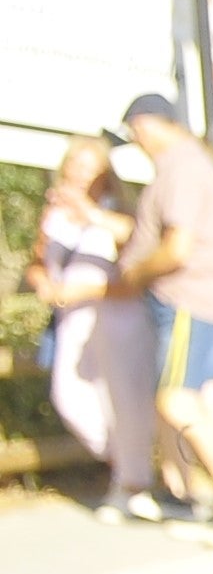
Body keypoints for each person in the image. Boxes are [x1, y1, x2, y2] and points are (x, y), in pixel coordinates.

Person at [111, 92, 213, 515]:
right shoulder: (193, 164)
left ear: (145, 124)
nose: (137, 143)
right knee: (210, 400)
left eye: (134, 133)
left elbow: (176, 248)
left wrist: (134, 273)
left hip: (184, 300)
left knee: (175, 400)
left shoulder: (180, 167)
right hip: (204, 300)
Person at [19, 133, 170, 518]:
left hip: (118, 317)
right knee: (71, 397)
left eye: (90, 167)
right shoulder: (53, 216)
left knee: (124, 400)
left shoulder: (117, 212)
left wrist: (89, 214)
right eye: (76, 165)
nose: (80, 174)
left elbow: (138, 260)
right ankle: (130, 465)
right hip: (74, 323)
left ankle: (131, 482)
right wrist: (43, 283)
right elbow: (38, 262)